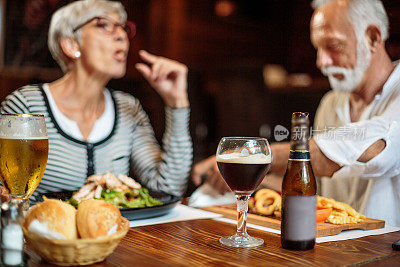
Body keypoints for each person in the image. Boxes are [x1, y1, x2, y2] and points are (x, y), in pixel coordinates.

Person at [191, 0, 400, 227]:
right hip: (331, 244)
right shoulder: (331, 102)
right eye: (318, 48)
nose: (321, 62)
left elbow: (370, 149)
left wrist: (250, 155)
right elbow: (313, 180)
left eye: (333, 46)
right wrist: (246, 176)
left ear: (373, 37)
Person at [0, 0, 192, 203]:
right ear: (71, 44)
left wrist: (176, 102)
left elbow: (168, 188)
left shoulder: (128, 108)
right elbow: (10, 195)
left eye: (123, 28)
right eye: (103, 25)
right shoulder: (25, 105)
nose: (121, 36)